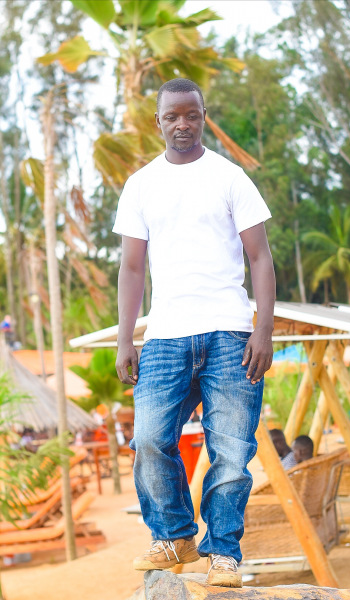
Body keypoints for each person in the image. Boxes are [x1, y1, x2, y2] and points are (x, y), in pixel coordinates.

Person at [113, 78, 275, 588]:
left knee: (231, 453)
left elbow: (260, 256)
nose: (182, 124)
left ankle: (223, 553)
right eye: (172, 116)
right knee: (148, 439)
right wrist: (125, 338)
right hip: (165, 336)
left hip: (230, 334)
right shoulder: (141, 184)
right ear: (158, 122)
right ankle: (175, 535)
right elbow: (132, 268)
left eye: (191, 114)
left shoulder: (230, 178)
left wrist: (263, 329)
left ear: (204, 116)